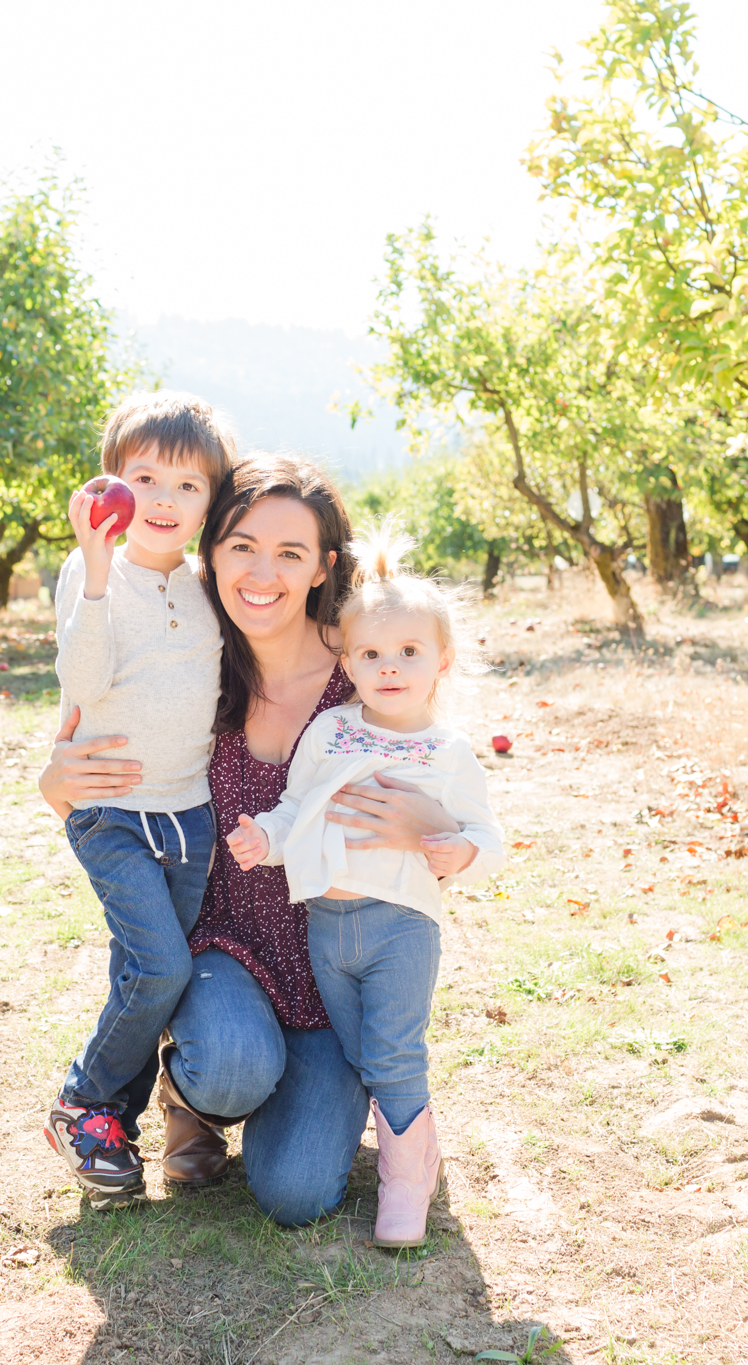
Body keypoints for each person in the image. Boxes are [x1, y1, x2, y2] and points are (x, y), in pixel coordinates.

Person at [40, 454, 486, 1227]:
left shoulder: (366, 674)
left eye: (290, 553)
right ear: (211, 553)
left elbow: (448, 792)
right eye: (241, 545)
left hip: (331, 974)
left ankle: (338, 1095)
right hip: (226, 950)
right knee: (232, 1067)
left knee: (295, 1193)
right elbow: (87, 773)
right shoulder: (195, 668)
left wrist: (433, 829)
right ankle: (197, 1090)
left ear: (324, 568)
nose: (262, 572)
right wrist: (55, 783)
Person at [223, 522, 504, 1247]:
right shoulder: (333, 732)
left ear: (441, 661)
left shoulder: (446, 750)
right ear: (347, 661)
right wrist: (267, 838)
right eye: (372, 653)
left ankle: (409, 1177)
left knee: (392, 1051)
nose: (389, 666)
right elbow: (297, 807)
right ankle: (400, 1137)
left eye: (409, 652)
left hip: (400, 924)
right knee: (358, 1050)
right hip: (327, 924)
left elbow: (488, 835)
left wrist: (457, 850)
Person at [42, 391, 237, 1209]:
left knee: (144, 968)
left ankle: (107, 1130)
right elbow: (81, 682)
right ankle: (82, 1099)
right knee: (159, 964)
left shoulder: (205, 585)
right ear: (111, 481)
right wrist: (92, 569)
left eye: (188, 486)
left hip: (189, 813)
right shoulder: (92, 574)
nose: (163, 499)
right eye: (144, 476)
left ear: (210, 503)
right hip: (112, 810)